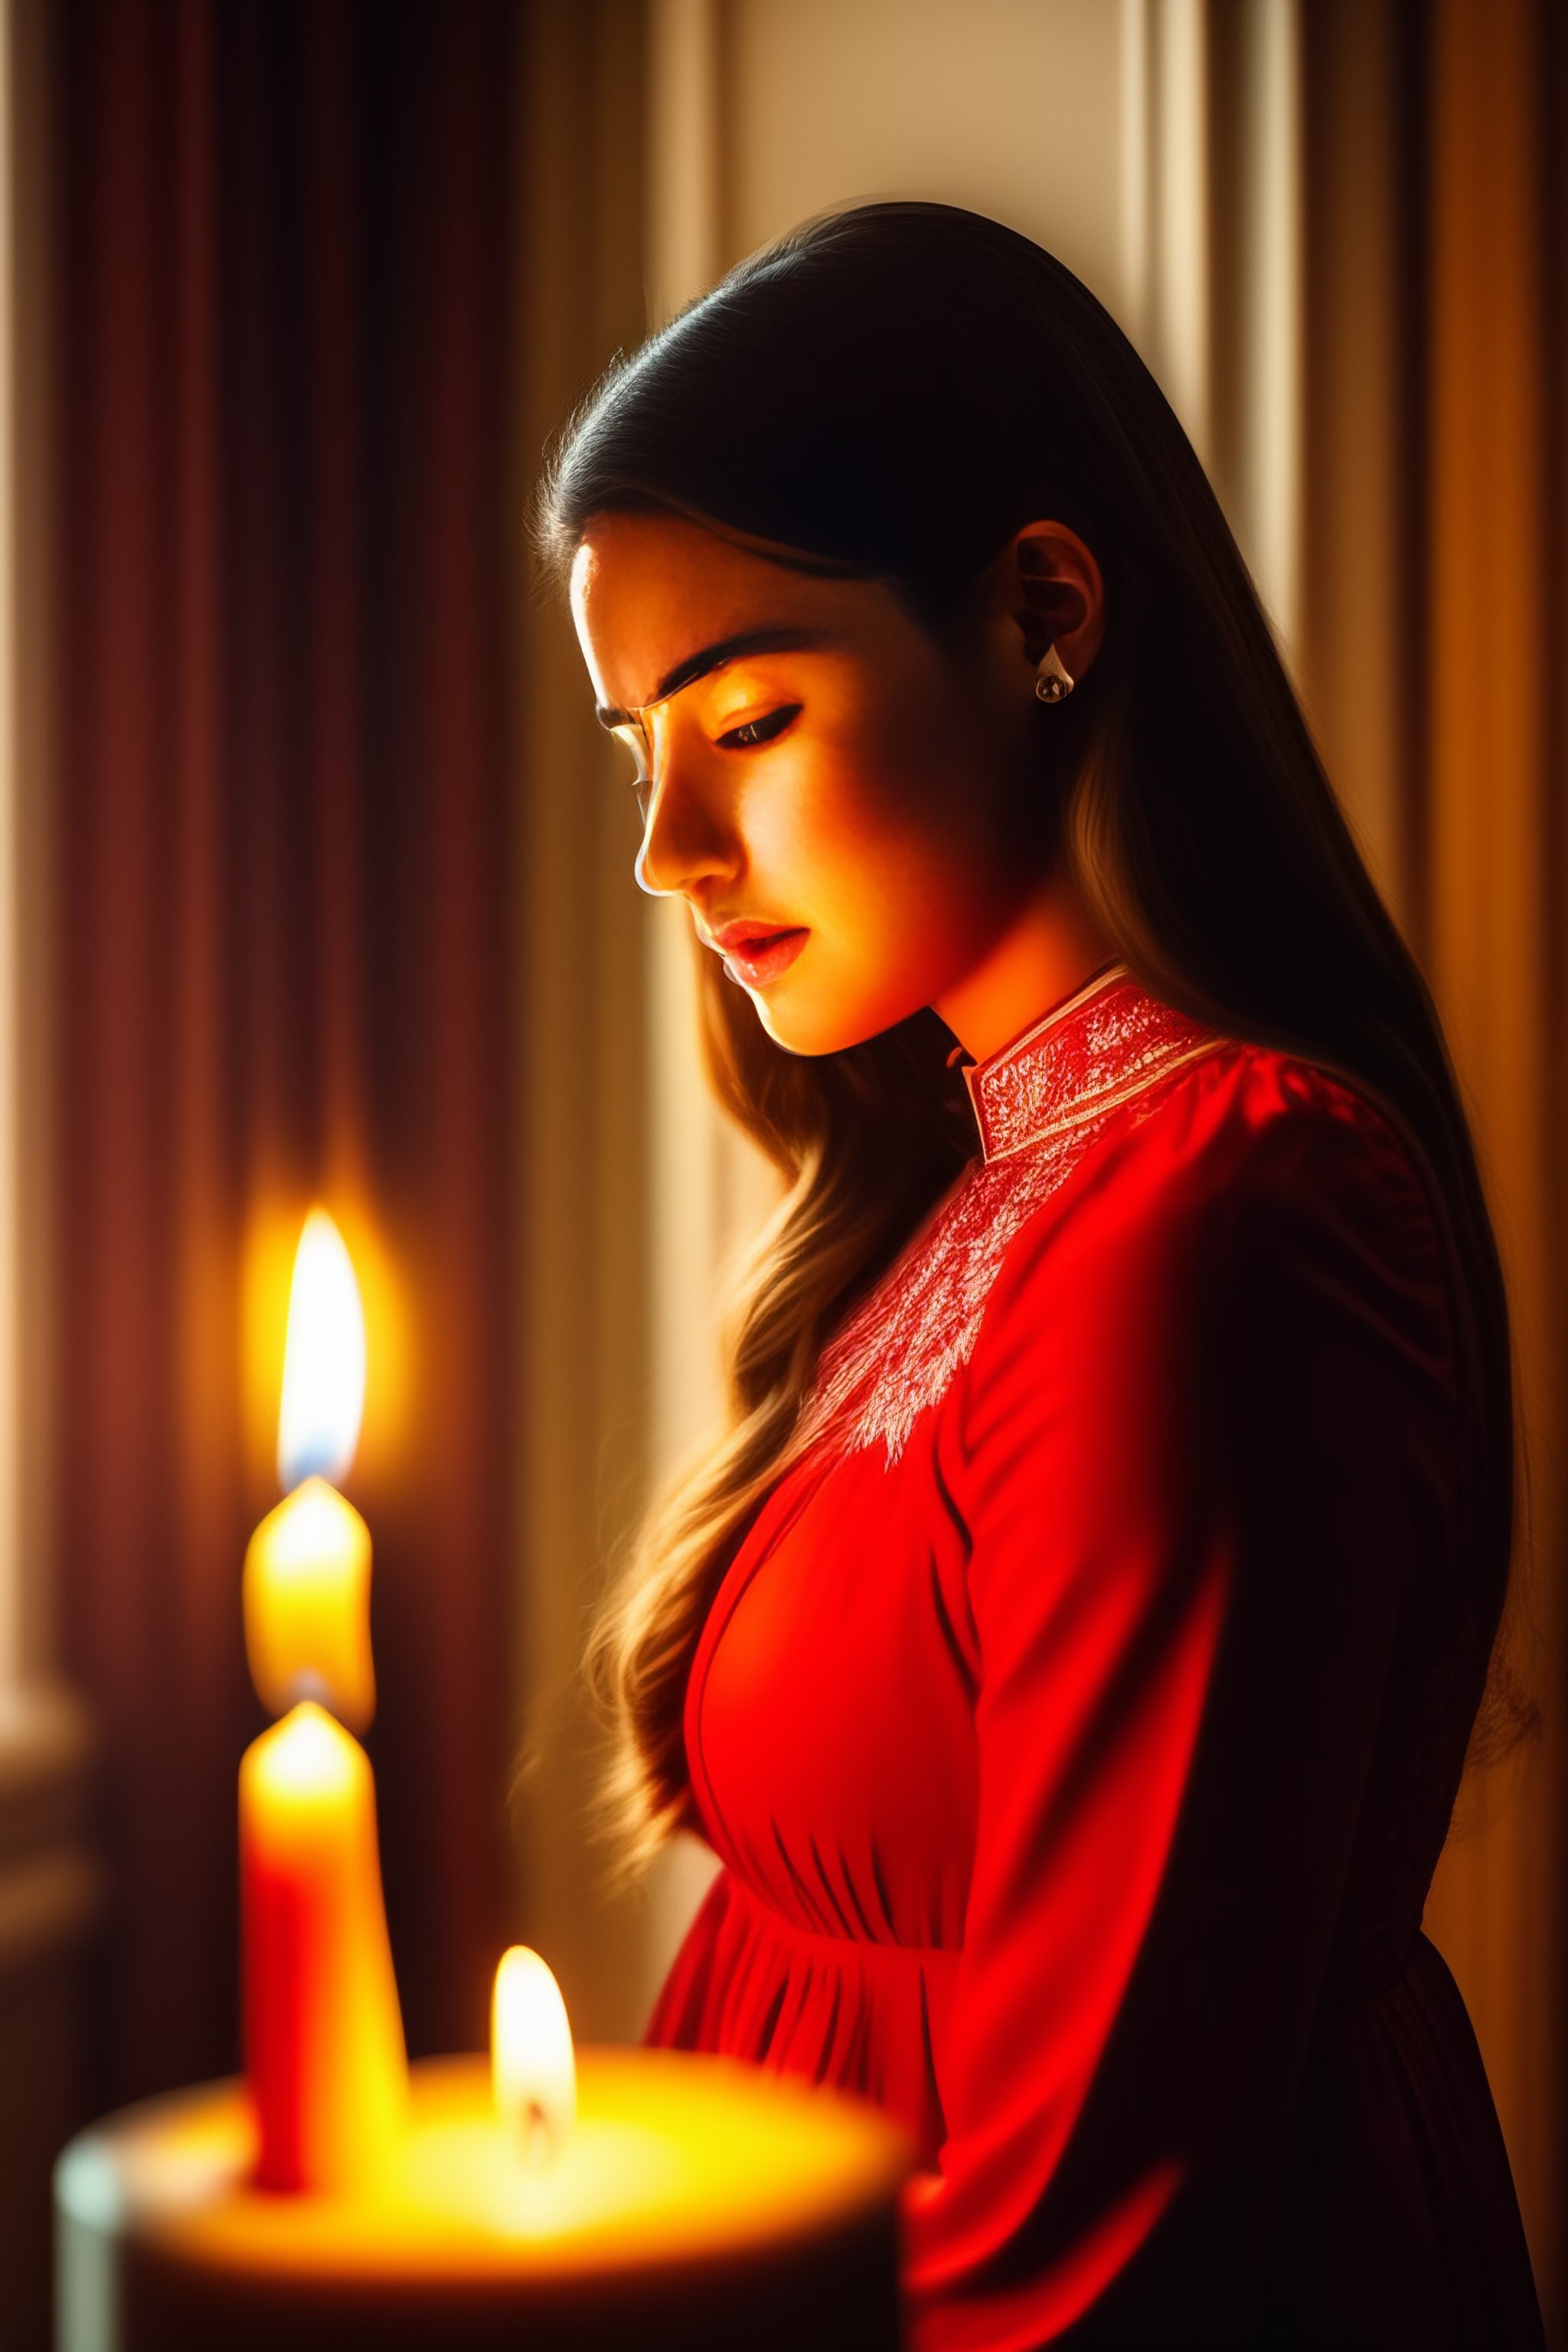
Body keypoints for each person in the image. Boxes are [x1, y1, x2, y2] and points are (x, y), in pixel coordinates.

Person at [537, 203, 1546, 2350]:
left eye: (751, 716)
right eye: (640, 752)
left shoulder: (1223, 1216)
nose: (667, 850)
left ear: (1043, 613)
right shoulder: (976, 1184)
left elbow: (1107, 2242)